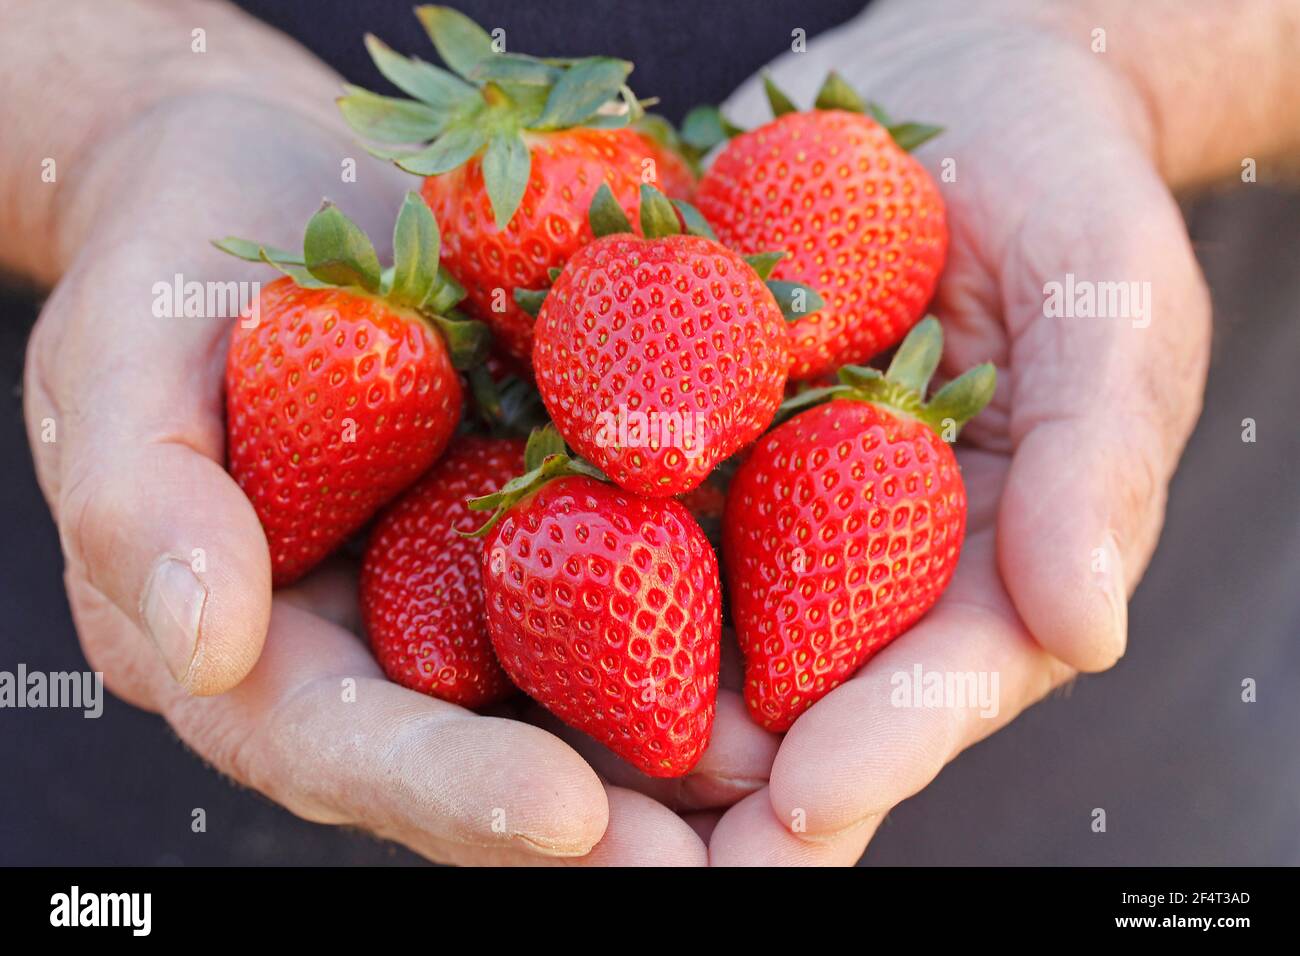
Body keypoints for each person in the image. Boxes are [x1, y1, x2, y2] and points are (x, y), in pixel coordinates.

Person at [3, 0, 1296, 866]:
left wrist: (1109, 53)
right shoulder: (535, 349)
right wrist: (119, 115)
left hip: (1116, 774)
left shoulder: (730, 348)